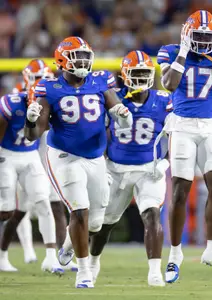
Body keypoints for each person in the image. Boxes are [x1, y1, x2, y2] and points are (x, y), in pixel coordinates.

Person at [24, 36, 133, 288]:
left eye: (86, 56)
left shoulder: (99, 80)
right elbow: (33, 135)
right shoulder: (49, 88)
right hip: (65, 156)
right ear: (63, 60)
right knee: (79, 210)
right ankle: (83, 272)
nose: (83, 62)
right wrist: (30, 120)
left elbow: (118, 113)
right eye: (77, 57)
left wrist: (121, 114)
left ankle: (69, 244)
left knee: (95, 222)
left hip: (95, 157)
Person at [157, 10, 212, 283]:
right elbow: (169, 84)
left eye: (209, 36)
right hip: (181, 125)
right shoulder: (170, 51)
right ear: (186, 34)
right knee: (181, 190)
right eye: (198, 36)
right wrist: (183, 52)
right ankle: (174, 255)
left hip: (208, 125)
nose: (204, 41)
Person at [89, 50, 172, 287]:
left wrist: (166, 160)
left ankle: (155, 271)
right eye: (136, 73)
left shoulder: (165, 100)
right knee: (105, 223)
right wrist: (100, 160)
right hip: (116, 169)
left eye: (145, 73)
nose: (141, 78)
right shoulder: (112, 98)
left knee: (152, 214)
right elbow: (98, 133)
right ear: (125, 75)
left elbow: (176, 134)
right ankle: (94, 261)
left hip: (149, 169)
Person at [1, 59, 77, 271]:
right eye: (36, 80)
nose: (40, 84)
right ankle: (5, 254)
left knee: (47, 205)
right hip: (8, 155)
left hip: (35, 156)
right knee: (10, 211)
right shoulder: (14, 99)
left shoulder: (54, 98)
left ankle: (53, 256)